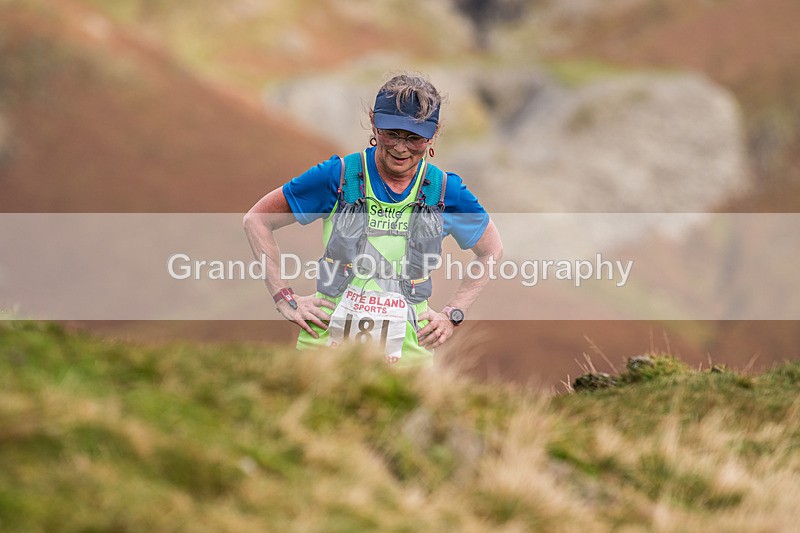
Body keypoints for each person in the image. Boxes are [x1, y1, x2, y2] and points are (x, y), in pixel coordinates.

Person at [244, 72, 502, 366]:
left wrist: (452, 315)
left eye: (414, 138)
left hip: (408, 360)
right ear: (373, 121)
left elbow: (491, 251)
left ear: (434, 133)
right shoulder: (338, 176)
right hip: (324, 353)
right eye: (391, 132)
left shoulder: (445, 191)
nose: (401, 147)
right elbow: (257, 221)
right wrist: (285, 299)